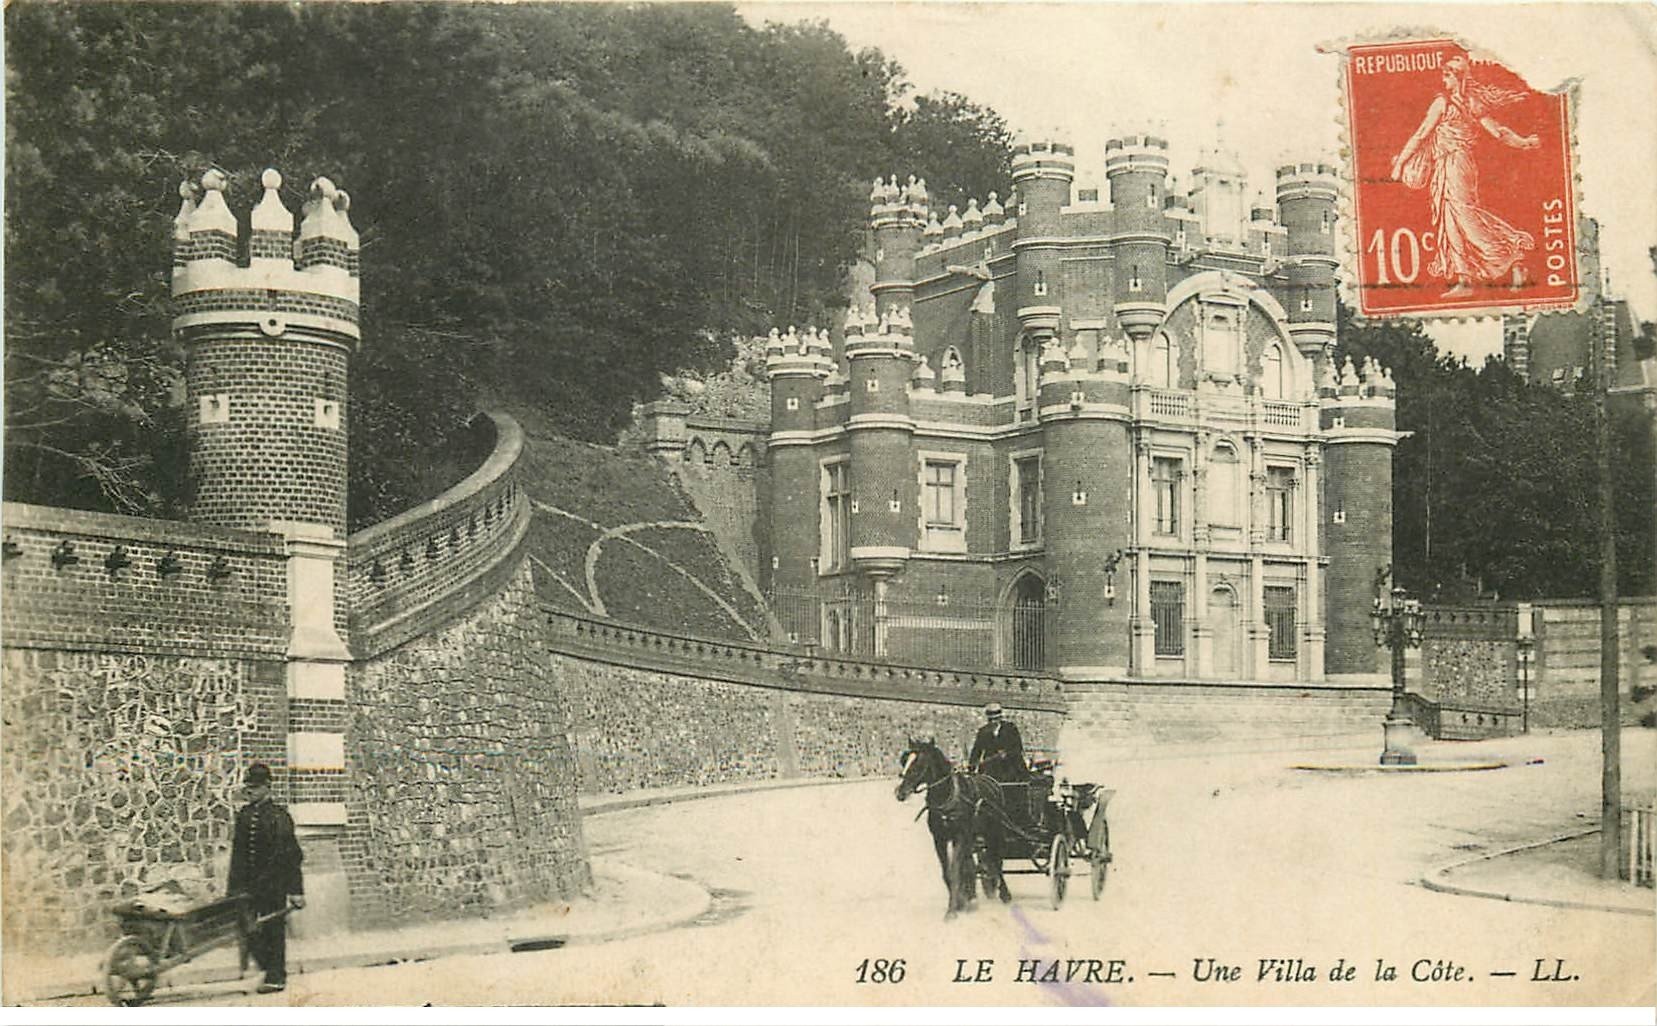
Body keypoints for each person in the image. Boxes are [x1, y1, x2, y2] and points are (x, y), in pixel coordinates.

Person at [1389, 54, 1541, 298]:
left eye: (1447, 75)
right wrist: (1524, 143)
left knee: (1465, 215)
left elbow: (1421, 134)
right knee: (1450, 219)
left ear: (1457, 77)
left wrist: (1400, 165)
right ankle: (1464, 279)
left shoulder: (1450, 104)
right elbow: (1498, 132)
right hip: (1446, 165)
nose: (1443, 79)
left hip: (1457, 164)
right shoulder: (1465, 103)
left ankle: (1512, 258)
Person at [228, 762, 305, 994]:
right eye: (248, 787)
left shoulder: (279, 817)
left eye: (255, 787)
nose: (249, 791)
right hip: (248, 887)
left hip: (273, 885)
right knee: (247, 928)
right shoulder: (244, 815)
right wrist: (233, 888)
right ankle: (267, 966)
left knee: (274, 930)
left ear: (267, 787)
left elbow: (292, 856)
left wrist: (296, 891)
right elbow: (238, 855)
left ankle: (276, 977)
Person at [968, 703, 1026, 783]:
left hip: (1010, 766)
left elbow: (1018, 748)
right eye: (990, 720)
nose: (993, 722)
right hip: (991, 768)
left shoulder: (1011, 729)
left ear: (1000, 718)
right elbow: (976, 750)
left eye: (995, 719)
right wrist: (972, 765)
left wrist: (1006, 754)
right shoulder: (983, 732)